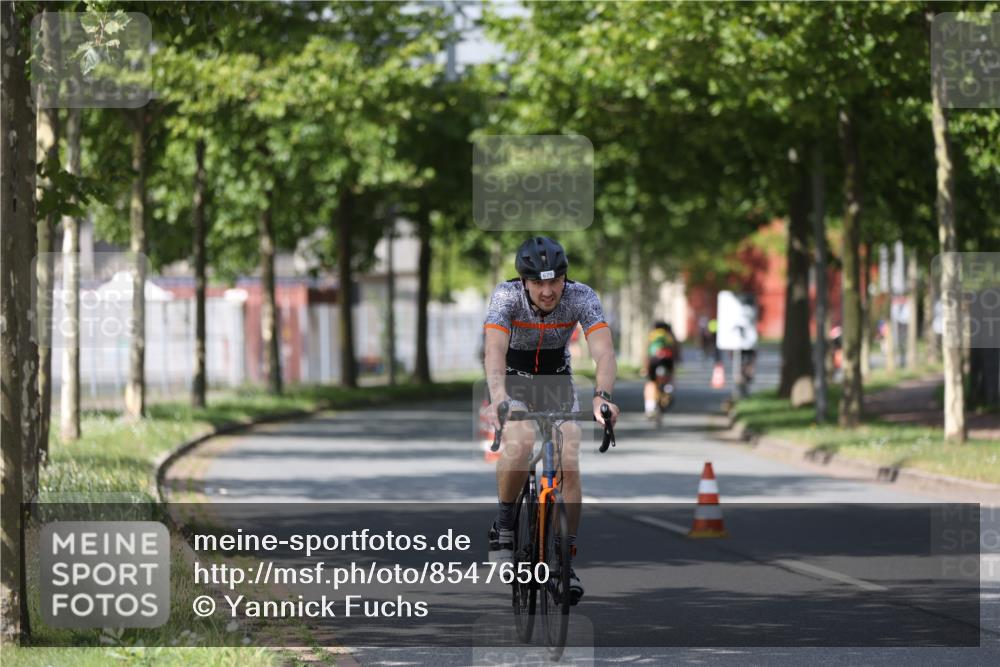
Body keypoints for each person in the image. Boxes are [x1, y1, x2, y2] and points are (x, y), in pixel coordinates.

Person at [483, 236, 619, 605]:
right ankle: (505, 523)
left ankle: (563, 561)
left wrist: (603, 397)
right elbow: (494, 351)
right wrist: (499, 399)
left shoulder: (582, 296)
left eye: (554, 281)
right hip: (512, 380)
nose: (547, 291)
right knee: (522, 440)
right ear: (524, 281)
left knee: (568, 455)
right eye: (538, 283)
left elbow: (604, 353)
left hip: (556, 382)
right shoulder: (505, 297)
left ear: (565, 277)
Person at [643, 321, 678, 418]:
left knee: (650, 382)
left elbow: (647, 352)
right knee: (670, 377)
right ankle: (668, 390)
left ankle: (649, 407)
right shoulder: (669, 335)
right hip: (667, 361)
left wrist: (645, 367)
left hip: (654, 361)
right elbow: (675, 351)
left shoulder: (652, 335)